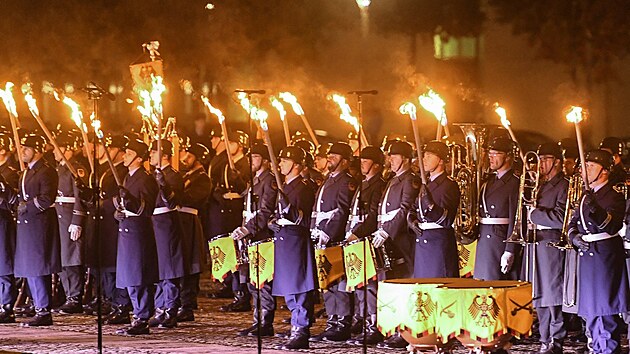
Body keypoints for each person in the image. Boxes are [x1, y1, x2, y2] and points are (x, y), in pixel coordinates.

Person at [568, 149, 628, 354]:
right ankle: (596, 348)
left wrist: (596, 209)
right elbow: (573, 223)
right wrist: (574, 238)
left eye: (590, 166)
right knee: (592, 313)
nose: (585, 171)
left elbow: (611, 226)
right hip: (587, 258)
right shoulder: (587, 197)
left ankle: (607, 350)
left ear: (604, 171)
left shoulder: (614, 196)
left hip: (604, 259)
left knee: (604, 312)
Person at [268, 146, 317, 350]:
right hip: (283, 238)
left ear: (296, 165)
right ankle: (295, 326)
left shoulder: (304, 187)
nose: (280, 165)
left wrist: (290, 210)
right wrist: (273, 221)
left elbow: (305, 217)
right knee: (289, 287)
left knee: (299, 287)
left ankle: (301, 330)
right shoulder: (284, 186)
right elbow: (276, 213)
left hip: (297, 239)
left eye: (285, 161)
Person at [373, 141, 420, 350]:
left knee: (404, 285)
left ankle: (405, 332)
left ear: (406, 159)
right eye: (389, 156)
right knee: (392, 285)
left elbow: (405, 208)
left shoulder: (410, 180)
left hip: (401, 240)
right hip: (389, 240)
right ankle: (395, 329)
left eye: (394, 156)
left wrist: (387, 230)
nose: (390, 160)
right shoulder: (393, 180)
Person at [309, 142, 356, 343]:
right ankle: (332, 321)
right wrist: (314, 228)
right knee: (326, 282)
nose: (330, 159)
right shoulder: (328, 179)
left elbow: (342, 210)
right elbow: (316, 209)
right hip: (321, 236)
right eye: (329, 155)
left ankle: (343, 323)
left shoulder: (346, 182)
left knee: (339, 282)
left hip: (335, 238)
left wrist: (328, 232)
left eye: (334, 156)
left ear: (344, 161)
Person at [113, 138, 159, 335]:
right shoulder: (128, 176)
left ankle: (142, 318)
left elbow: (146, 208)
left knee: (138, 276)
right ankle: (137, 315)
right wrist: (118, 212)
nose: (125, 156)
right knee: (130, 276)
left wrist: (130, 202)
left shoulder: (146, 179)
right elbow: (124, 205)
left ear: (139, 159)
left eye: (130, 154)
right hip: (126, 229)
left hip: (139, 231)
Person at [14, 134, 60, 326]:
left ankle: (44, 309)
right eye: (22, 147)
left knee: (38, 267)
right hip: (27, 224)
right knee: (30, 268)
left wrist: (28, 206)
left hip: (40, 223)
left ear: (37, 150)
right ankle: (37, 304)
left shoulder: (46, 171)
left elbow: (46, 198)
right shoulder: (26, 172)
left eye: (26, 148)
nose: (22, 151)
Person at [232, 142, 278, 337]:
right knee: (253, 281)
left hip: (262, 237)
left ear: (266, 161)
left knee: (262, 281)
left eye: (256, 157)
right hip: (251, 237)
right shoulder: (255, 181)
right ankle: (257, 320)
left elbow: (265, 211)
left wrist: (248, 229)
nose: (251, 161)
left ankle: (266, 323)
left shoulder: (269, 180)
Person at [344, 146, 387, 346]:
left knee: (370, 286)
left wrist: (356, 233)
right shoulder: (364, 183)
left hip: (367, 239)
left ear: (377, 165)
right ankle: (362, 321)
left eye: (366, 161)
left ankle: (373, 326)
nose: (362, 164)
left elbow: (372, 216)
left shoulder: (378, 185)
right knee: (360, 285)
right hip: (356, 240)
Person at [528, 143, 568, 354]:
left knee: (553, 293)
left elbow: (562, 217)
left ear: (557, 162)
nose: (541, 164)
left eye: (546, 159)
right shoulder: (539, 184)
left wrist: (534, 215)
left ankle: (556, 339)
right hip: (536, 242)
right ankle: (544, 338)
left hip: (552, 242)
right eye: (540, 159)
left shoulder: (564, 185)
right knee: (539, 294)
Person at [207, 131, 251, 311]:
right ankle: (232, 288)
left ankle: (242, 293)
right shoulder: (226, 163)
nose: (228, 146)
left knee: (239, 253)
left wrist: (238, 182)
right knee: (228, 250)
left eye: (231, 142)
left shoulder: (244, 164)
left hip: (238, 209)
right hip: (225, 208)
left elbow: (246, 189)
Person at [407, 140, 460, 278]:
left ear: (441, 160)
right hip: (422, 243)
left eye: (429, 156)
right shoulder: (426, 183)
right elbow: (413, 208)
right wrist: (411, 221)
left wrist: (431, 206)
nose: (424, 159)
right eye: (424, 155)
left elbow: (447, 220)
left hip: (438, 246)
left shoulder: (449, 185)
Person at [148, 139, 185, 329]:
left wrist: (164, 186)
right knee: (159, 269)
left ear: (163, 155)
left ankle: (170, 309)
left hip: (167, 225)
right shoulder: (152, 174)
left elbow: (172, 202)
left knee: (169, 268)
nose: (151, 156)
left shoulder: (173, 176)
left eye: (154, 153)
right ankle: (160, 307)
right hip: (154, 223)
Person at [474, 137, 520, 280]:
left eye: (495, 154)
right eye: (490, 154)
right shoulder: (489, 181)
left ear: (507, 156)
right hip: (484, 240)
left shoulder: (514, 183)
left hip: (499, 241)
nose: (491, 158)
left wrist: (510, 250)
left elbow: (515, 219)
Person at [53, 132, 89, 315]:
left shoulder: (76, 168)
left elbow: (80, 197)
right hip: (58, 217)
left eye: (57, 148)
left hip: (69, 217)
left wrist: (77, 220)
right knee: (62, 259)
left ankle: (75, 297)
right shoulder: (59, 168)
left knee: (72, 259)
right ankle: (67, 295)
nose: (54, 152)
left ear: (66, 149)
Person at [177, 142, 211, 322]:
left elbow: (192, 199)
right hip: (179, 222)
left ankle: (187, 304)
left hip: (190, 222)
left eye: (189, 156)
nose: (184, 159)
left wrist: (174, 192)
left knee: (190, 265)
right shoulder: (185, 175)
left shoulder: (202, 178)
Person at [0, 133, 18, 323]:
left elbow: (13, 201)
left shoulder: (10, 173)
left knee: (3, 265)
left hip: (3, 221)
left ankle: (6, 305)